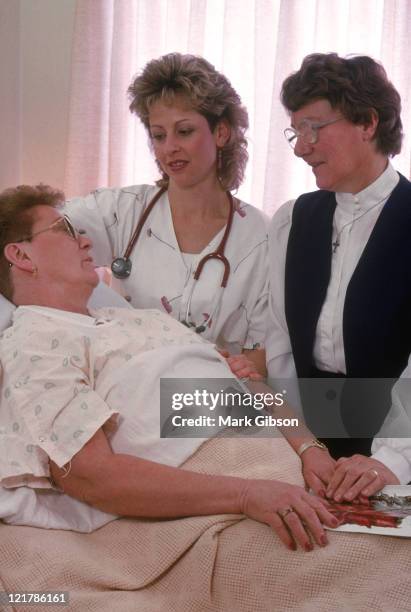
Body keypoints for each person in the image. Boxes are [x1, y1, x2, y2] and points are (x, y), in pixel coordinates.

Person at [0, 184, 337, 551]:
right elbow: (91, 476)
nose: (85, 241)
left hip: (291, 478)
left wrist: (311, 450)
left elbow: (249, 385)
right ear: (21, 255)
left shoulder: (136, 319)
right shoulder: (36, 341)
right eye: (65, 229)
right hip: (228, 499)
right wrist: (246, 494)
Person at [64, 53, 268, 375]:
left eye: (184, 131)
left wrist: (240, 370)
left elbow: (258, 358)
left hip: (208, 399)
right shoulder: (121, 210)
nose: (168, 147)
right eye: (159, 135)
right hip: (127, 391)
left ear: (221, 133)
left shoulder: (261, 239)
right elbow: (39, 232)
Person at [267, 53, 411, 500]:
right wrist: (304, 445)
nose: (299, 146)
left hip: (395, 448)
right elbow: (280, 348)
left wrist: (391, 460)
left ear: (367, 123)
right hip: (304, 447)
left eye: (314, 127)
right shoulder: (293, 219)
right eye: (296, 131)